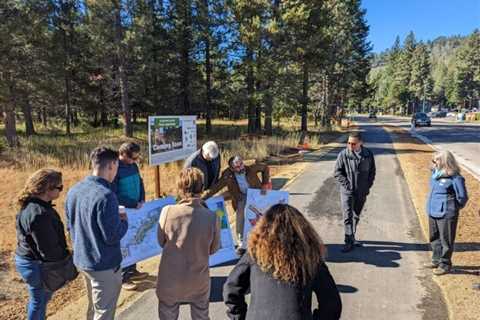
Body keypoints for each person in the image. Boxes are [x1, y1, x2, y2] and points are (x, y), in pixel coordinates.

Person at [223, 204, 342, 320]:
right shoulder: (311, 257)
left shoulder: (254, 254)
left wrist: (240, 316)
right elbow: (332, 304)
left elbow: (231, 289)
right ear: (303, 231)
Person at [65, 147, 128, 320]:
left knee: (93, 308)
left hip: (82, 260)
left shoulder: (74, 190)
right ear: (112, 165)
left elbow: (69, 226)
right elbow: (112, 236)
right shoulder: (106, 196)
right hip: (104, 264)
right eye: (117, 166)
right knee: (104, 313)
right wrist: (124, 220)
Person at [156, 167, 221, 320]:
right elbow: (214, 249)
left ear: (180, 188)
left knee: (167, 314)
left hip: (170, 279)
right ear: (202, 188)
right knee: (201, 315)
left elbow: (161, 242)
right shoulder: (212, 217)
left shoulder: (167, 211)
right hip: (198, 280)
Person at [15, 169, 68, 320]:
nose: (61, 191)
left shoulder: (31, 204)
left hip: (28, 261)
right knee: (40, 301)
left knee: (38, 300)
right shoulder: (39, 214)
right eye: (60, 187)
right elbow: (49, 251)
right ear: (48, 189)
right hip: (36, 264)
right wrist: (66, 259)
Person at [203, 155, 270, 255]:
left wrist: (265, 184)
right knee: (240, 216)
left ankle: (265, 240)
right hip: (241, 197)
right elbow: (215, 188)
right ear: (231, 168)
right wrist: (202, 198)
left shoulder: (251, 168)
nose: (241, 168)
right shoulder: (227, 175)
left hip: (255, 195)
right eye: (237, 167)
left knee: (262, 216)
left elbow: (265, 167)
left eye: (241, 165)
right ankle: (241, 244)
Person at [425, 150, 468, 275]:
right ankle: (436, 259)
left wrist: (453, 208)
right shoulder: (435, 174)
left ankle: (445, 264)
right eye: (434, 160)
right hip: (433, 210)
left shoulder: (455, 177)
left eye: (436, 160)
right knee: (434, 238)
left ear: (445, 161)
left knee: (446, 240)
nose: (434, 163)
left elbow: (463, 197)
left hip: (447, 213)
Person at [112, 142, 148, 290]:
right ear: (123, 155)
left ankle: (132, 270)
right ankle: (123, 277)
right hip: (123, 211)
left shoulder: (133, 165)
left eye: (137, 158)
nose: (135, 161)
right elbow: (114, 194)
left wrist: (142, 198)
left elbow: (140, 182)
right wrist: (132, 203)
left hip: (136, 208)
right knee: (125, 242)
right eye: (133, 158)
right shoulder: (114, 168)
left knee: (134, 238)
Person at [334, 131, 376, 253]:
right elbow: (337, 173)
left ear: (360, 143)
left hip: (362, 192)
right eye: (348, 143)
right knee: (347, 216)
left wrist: (367, 187)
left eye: (353, 143)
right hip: (347, 192)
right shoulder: (344, 154)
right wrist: (347, 186)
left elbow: (372, 172)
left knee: (356, 215)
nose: (350, 146)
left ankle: (352, 237)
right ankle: (348, 242)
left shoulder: (368, 154)